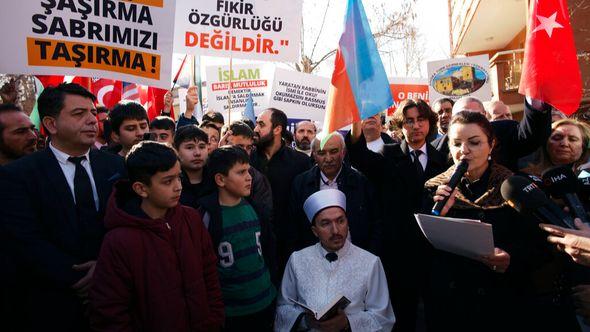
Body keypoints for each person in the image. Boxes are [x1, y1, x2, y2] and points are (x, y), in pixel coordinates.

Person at [424, 111, 580, 331]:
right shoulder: (433, 189)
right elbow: (422, 250)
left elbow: (542, 246)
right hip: (457, 305)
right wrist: (438, 214)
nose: (464, 151)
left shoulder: (515, 187)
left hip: (506, 302)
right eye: (456, 143)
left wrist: (512, 258)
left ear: (491, 144)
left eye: (474, 142)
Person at [0, 83, 125, 331]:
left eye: (92, 112)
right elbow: (26, 240)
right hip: (50, 304)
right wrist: (79, 278)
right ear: (51, 124)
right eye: (79, 114)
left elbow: (127, 223)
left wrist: (104, 267)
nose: (92, 120)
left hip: (115, 296)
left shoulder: (117, 167)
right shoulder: (18, 175)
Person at [89, 142, 224, 332]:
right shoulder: (119, 241)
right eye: (167, 181)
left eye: (178, 177)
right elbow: (110, 311)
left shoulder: (190, 218)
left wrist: (214, 320)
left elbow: (209, 272)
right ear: (141, 189)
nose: (178, 187)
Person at [346, 99, 447, 332]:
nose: (416, 126)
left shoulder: (441, 158)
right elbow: (360, 156)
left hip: (434, 252)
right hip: (399, 253)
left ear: (429, 123)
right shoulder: (388, 154)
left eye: (421, 120)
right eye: (409, 121)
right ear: (401, 126)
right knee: (403, 315)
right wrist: (354, 121)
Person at [275, 189, 395, 331]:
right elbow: (283, 309)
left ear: (347, 222)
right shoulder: (297, 260)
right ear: (315, 231)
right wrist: (305, 320)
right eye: (326, 223)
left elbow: (384, 318)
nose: (336, 230)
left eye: (340, 221)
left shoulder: (371, 263)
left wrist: (348, 323)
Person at [198, 146, 277, 331]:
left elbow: (269, 251)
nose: (249, 177)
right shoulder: (206, 218)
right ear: (220, 179)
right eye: (241, 172)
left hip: (264, 304)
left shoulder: (256, 209)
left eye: (248, 170)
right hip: (231, 314)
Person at [289, 132, 381, 253]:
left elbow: (376, 223)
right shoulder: (301, 184)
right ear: (314, 155)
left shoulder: (361, 181)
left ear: (343, 153)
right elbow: (293, 227)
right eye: (322, 153)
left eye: (333, 151)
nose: (328, 159)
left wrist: (369, 255)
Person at [251, 108, 312, 268]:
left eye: (261, 124)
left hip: (290, 247)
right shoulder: (246, 160)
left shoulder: (300, 162)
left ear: (277, 129)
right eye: (257, 124)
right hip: (254, 245)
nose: (256, 129)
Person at [432, 96, 552, 171]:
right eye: (457, 144)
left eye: (475, 116)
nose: (468, 123)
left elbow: (533, 134)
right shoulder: (436, 149)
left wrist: (536, 94)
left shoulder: (504, 131)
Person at [220, 121, 273, 222]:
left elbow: (263, 216)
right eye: (240, 147)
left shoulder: (257, 179)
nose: (244, 152)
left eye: (248, 147)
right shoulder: (209, 170)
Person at [521, 118, 590, 176]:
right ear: (546, 143)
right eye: (557, 138)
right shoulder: (526, 176)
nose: (564, 144)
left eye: (572, 139)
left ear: (583, 147)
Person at [174, 125, 215, 210]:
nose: (197, 153)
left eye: (201, 147)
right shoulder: (172, 184)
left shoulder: (216, 178)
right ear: (176, 151)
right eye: (190, 147)